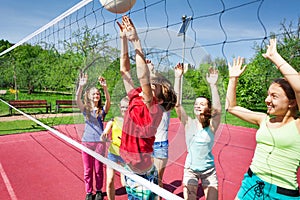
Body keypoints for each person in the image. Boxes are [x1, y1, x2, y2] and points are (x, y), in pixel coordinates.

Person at [226, 38, 300, 199]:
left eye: (274, 96)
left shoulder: (298, 126)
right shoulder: (263, 119)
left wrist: (275, 57)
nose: (267, 100)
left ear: (292, 102)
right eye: (268, 95)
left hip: (282, 194)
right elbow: (231, 107)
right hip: (251, 184)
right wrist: (233, 79)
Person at [117, 15, 177, 199]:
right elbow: (125, 71)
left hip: (140, 171)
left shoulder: (155, 109)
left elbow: (143, 76)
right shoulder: (136, 96)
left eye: (155, 84)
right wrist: (123, 40)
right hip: (132, 167)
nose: (151, 82)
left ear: (160, 97)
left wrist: (136, 41)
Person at [174, 63, 221, 200]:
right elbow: (177, 104)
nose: (197, 105)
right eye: (196, 103)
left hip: (209, 171)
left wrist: (213, 85)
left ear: (208, 108)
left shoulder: (212, 125)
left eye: (202, 104)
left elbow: (217, 110)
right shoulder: (188, 123)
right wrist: (178, 78)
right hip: (191, 171)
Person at [76, 73, 111, 200]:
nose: (96, 95)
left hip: (99, 144)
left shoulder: (102, 110)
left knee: (98, 170)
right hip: (87, 143)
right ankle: (89, 192)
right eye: (94, 94)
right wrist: (81, 86)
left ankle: (99, 191)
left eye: (98, 94)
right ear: (89, 96)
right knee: (87, 170)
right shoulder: (85, 109)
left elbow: (108, 101)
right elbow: (77, 100)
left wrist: (105, 88)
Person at [101, 96, 129, 200]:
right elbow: (104, 133)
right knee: (109, 181)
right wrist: (104, 137)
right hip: (112, 154)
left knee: (126, 183)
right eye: (122, 107)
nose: (124, 109)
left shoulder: (132, 122)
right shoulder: (114, 120)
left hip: (125, 156)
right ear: (119, 107)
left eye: (126, 107)